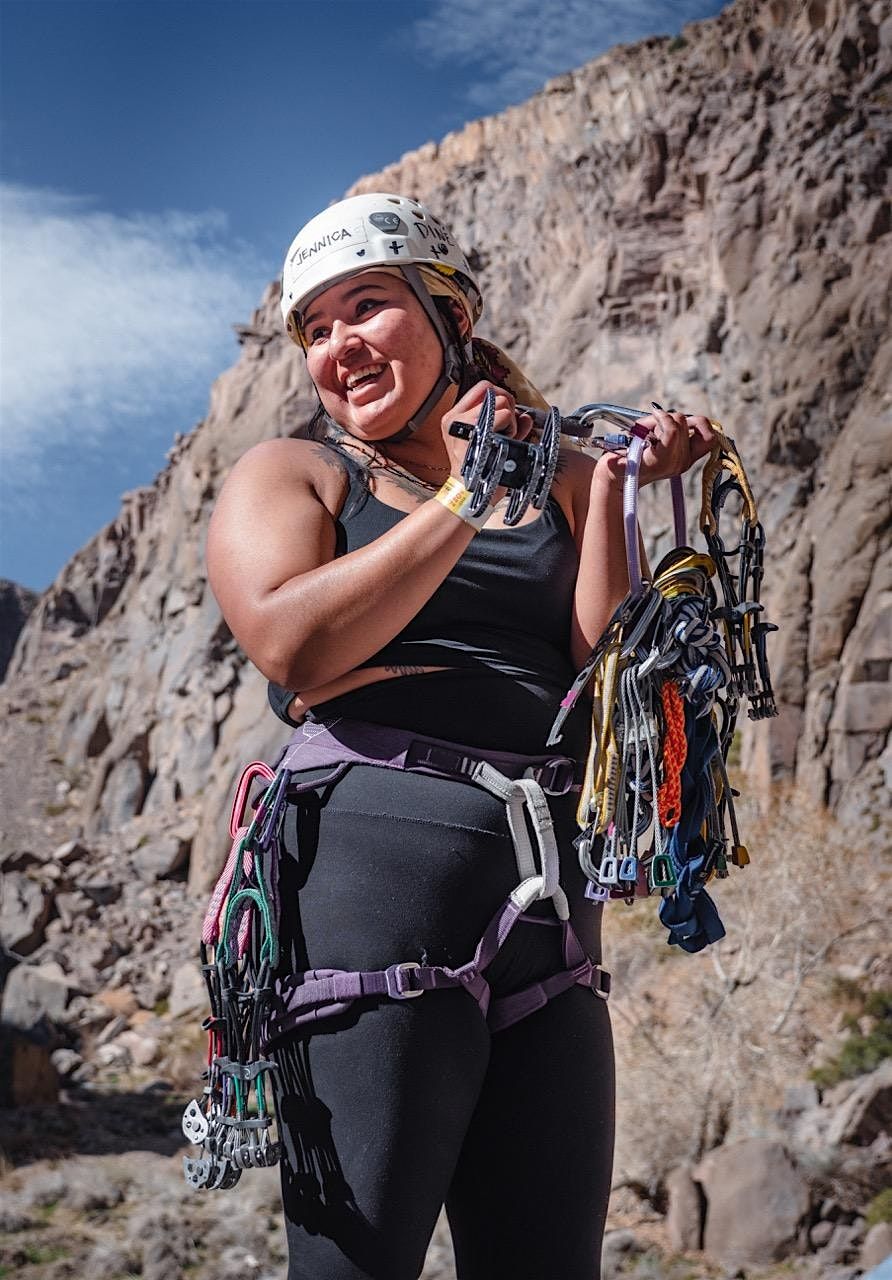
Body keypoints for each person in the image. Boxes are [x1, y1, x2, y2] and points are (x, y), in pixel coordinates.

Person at [206, 192, 716, 1280]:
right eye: (316, 328)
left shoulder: (558, 483)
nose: (340, 344)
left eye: (367, 307)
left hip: (550, 910)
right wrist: (462, 496)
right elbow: (292, 644)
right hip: (368, 882)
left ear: (451, 313)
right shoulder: (296, 475)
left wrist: (620, 484)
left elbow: (593, 676)